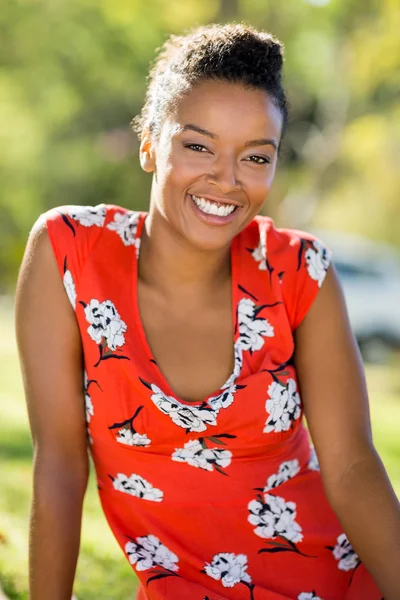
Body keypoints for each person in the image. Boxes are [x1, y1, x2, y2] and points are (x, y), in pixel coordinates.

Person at [15, 22, 399, 600]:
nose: (226, 178)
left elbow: (350, 469)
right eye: (198, 146)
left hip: (339, 583)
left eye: (256, 156)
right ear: (148, 143)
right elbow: (62, 465)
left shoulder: (297, 271)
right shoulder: (71, 252)